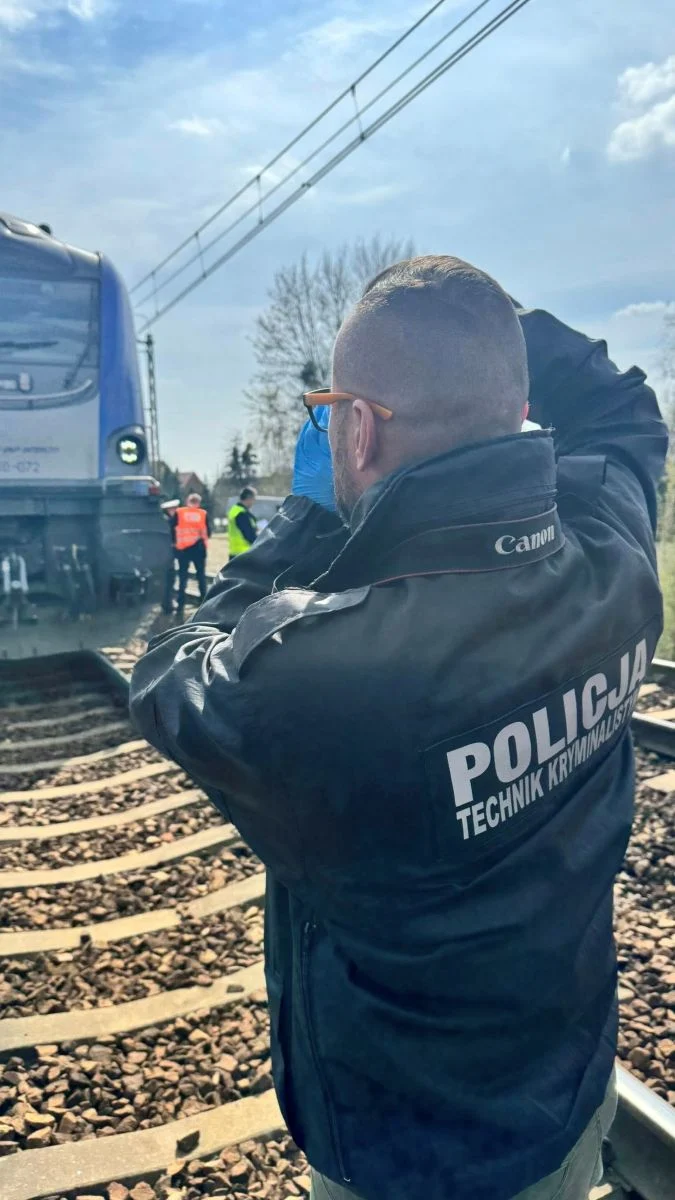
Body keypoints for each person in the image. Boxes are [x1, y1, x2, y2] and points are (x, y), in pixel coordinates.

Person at [130, 256, 667, 1200]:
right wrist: (482, 331)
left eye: (334, 414)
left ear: (361, 427)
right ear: (513, 402)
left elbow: (170, 668)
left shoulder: (318, 681)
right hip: (569, 1084)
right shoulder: (612, 557)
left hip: (405, 1155)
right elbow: (623, 409)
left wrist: (308, 513)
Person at [173, 492, 210, 619]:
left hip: (183, 550)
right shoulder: (203, 514)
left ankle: (180, 606)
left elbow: (172, 529)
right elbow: (208, 532)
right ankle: (203, 603)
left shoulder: (179, 512)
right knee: (201, 576)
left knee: (182, 578)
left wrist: (175, 544)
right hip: (199, 549)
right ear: (198, 502)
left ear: (188, 501)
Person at [160, 498, 181, 615]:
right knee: (168, 580)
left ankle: (167, 603)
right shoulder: (167, 522)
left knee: (168, 580)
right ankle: (168, 605)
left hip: (166, 555)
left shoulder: (165, 520)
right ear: (168, 510)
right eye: (174, 509)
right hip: (166, 556)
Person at [227, 487, 258, 558]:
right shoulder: (241, 514)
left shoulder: (235, 510)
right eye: (254, 499)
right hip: (243, 554)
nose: (254, 502)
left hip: (235, 552)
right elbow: (249, 535)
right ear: (249, 498)